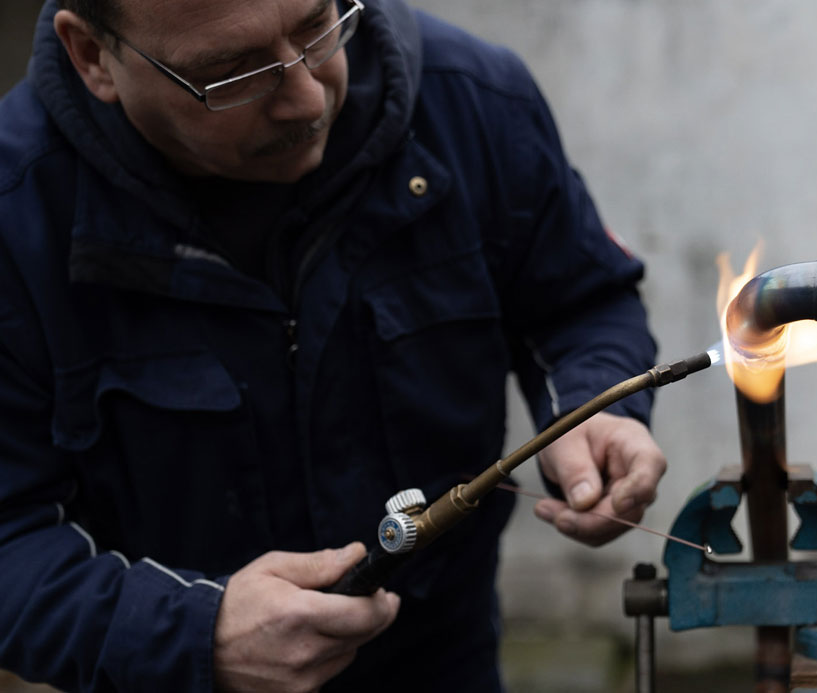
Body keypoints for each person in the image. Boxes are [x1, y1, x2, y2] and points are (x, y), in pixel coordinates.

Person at [0, 0, 666, 690]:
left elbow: (582, 300)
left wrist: (595, 403)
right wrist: (193, 632)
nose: (307, 96)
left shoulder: (473, 102)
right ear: (92, 56)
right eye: (232, 73)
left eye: (318, 26)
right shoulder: (17, 217)